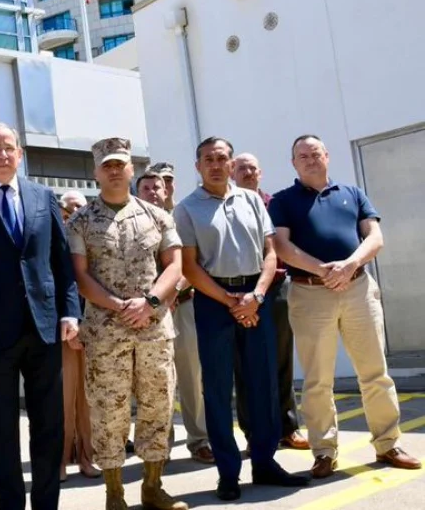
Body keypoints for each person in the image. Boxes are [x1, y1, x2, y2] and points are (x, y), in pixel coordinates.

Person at [0, 123, 81, 510]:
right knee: (3, 430)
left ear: (20, 154)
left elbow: (60, 262)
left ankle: (45, 505)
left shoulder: (43, 197)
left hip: (44, 329)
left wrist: (70, 311)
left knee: (48, 426)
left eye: (9, 148)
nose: (3, 154)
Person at [270, 135, 421, 477]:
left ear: (327, 156)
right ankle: (324, 451)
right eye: (302, 155)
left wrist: (349, 265)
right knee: (317, 380)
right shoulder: (282, 201)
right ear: (293, 163)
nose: (309, 159)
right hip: (309, 294)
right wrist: (323, 270)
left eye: (315, 153)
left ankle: (388, 444)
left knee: (375, 373)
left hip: (357, 289)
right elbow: (281, 245)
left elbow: (375, 237)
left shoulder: (352, 193)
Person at [174, 137, 309, 501]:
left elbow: (270, 252)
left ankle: (265, 462)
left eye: (222, 158)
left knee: (262, 383)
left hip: (255, 297)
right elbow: (189, 265)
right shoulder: (186, 209)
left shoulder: (252, 200)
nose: (216, 165)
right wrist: (230, 301)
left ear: (231, 163)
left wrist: (257, 296)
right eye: (208, 159)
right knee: (218, 389)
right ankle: (228, 472)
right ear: (198, 166)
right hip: (214, 300)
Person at [68, 138, 185, 510]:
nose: (115, 170)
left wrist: (149, 303)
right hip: (105, 333)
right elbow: (80, 276)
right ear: (96, 172)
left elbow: (175, 267)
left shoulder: (157, 216)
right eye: (108, 165)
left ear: (132, 169)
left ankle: (152, 488)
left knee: (157, 406)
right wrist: (119, 305)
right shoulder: (81, 221)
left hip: (153, 328)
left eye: (121, 163)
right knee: (108, 412)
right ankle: (114, 494)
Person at [231, 153, 308, 451]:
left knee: (282, 361)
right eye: (241, 168)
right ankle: (255, 435)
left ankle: (288, 427)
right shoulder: (227, 206)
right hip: (240, 294)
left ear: (260, 172)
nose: (248, 172)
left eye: (252, 168)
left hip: (276, 290)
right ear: (231, 173)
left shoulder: (275, 204)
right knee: (246, 366)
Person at [138, 171, 214, 465]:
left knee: (191, 376)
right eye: (146, 187)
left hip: (181, 306)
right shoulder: (133, 223)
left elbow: (188, 264)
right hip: (147, 314)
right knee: (155, 381)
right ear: (138, 192)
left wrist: (170, 294)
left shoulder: (179, 219)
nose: (153, 191)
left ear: (166, 190)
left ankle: (199, 440)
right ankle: (160, 445)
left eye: (157, 186)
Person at [56, 191, 99, 482]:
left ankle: (87, 457)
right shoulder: (55, 242)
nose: (75, 213)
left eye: (80, 208)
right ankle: (60, 461)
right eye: (69, 208)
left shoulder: (93, 239)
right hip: (63, 331)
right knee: (62, 399)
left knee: (89, 401)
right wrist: (70, 326)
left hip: (95, 329)